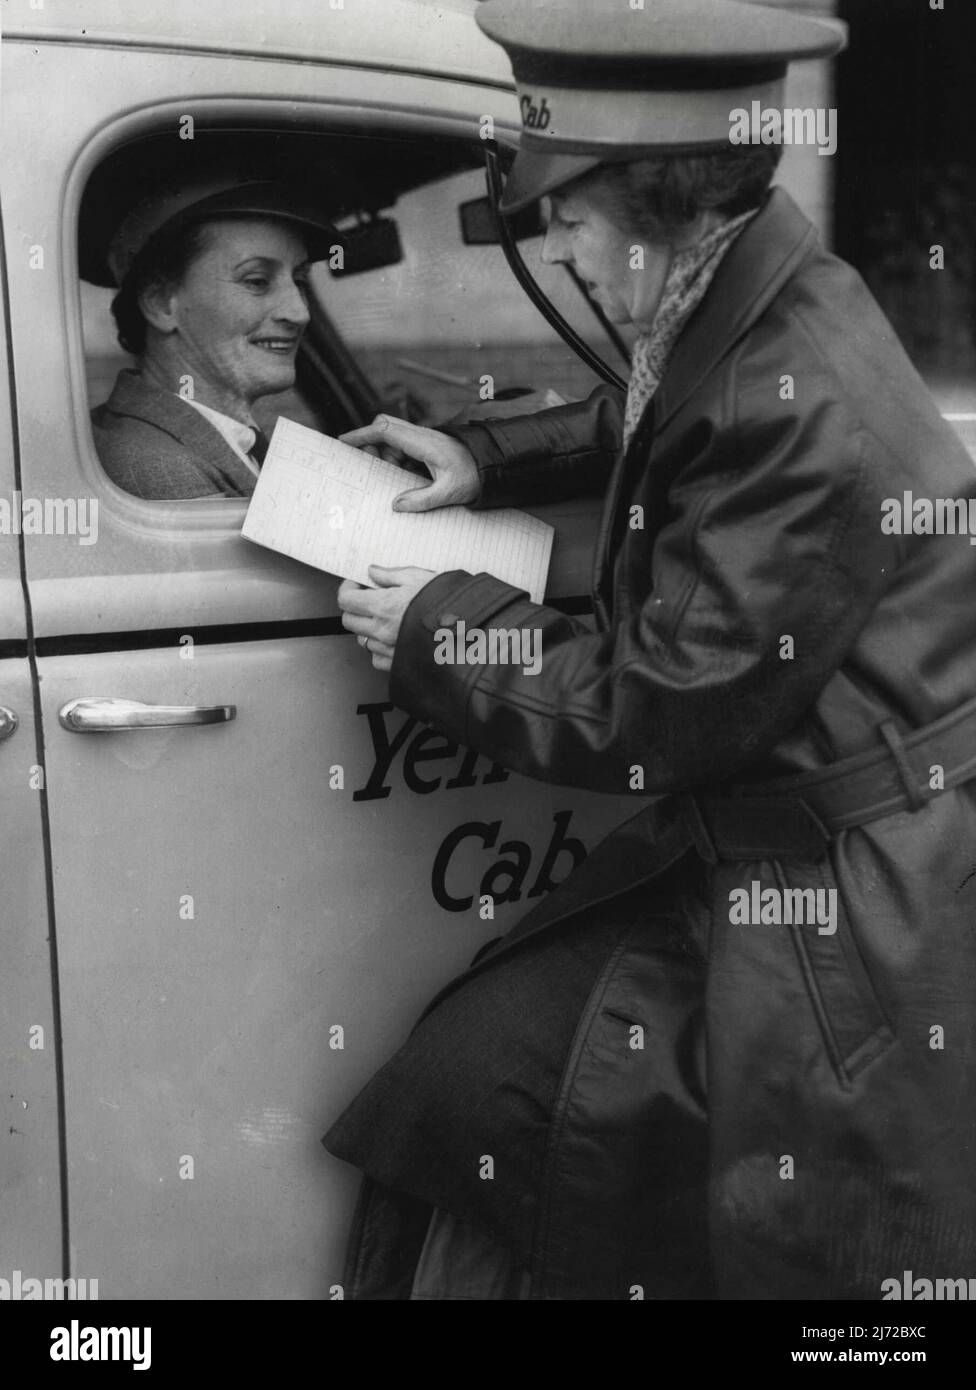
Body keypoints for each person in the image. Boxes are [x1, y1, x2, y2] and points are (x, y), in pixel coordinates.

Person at [325, 0, 976, 1300]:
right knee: (487, 1078)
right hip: (803, 846)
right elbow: (669, 422)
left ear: (657, 201)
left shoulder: (788, 394)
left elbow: (662, 709)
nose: (553, 238)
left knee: (524, 1107)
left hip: (848, 912)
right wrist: (491, 458)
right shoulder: (769, 297)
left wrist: (436, 626)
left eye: (568, 209)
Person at [90, 175, 335, 499]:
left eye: (299, 280)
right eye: (257, 281)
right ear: (160, 303)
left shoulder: (185, 441)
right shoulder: (166, 474)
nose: (299, 313)